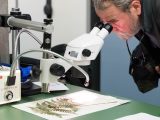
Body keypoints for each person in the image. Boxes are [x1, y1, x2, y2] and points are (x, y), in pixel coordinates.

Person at [92, 0, 160, 92]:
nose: (111, 29)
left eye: (113, 21)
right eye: (106, 24)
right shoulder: (137, 21)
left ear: (136, 7)